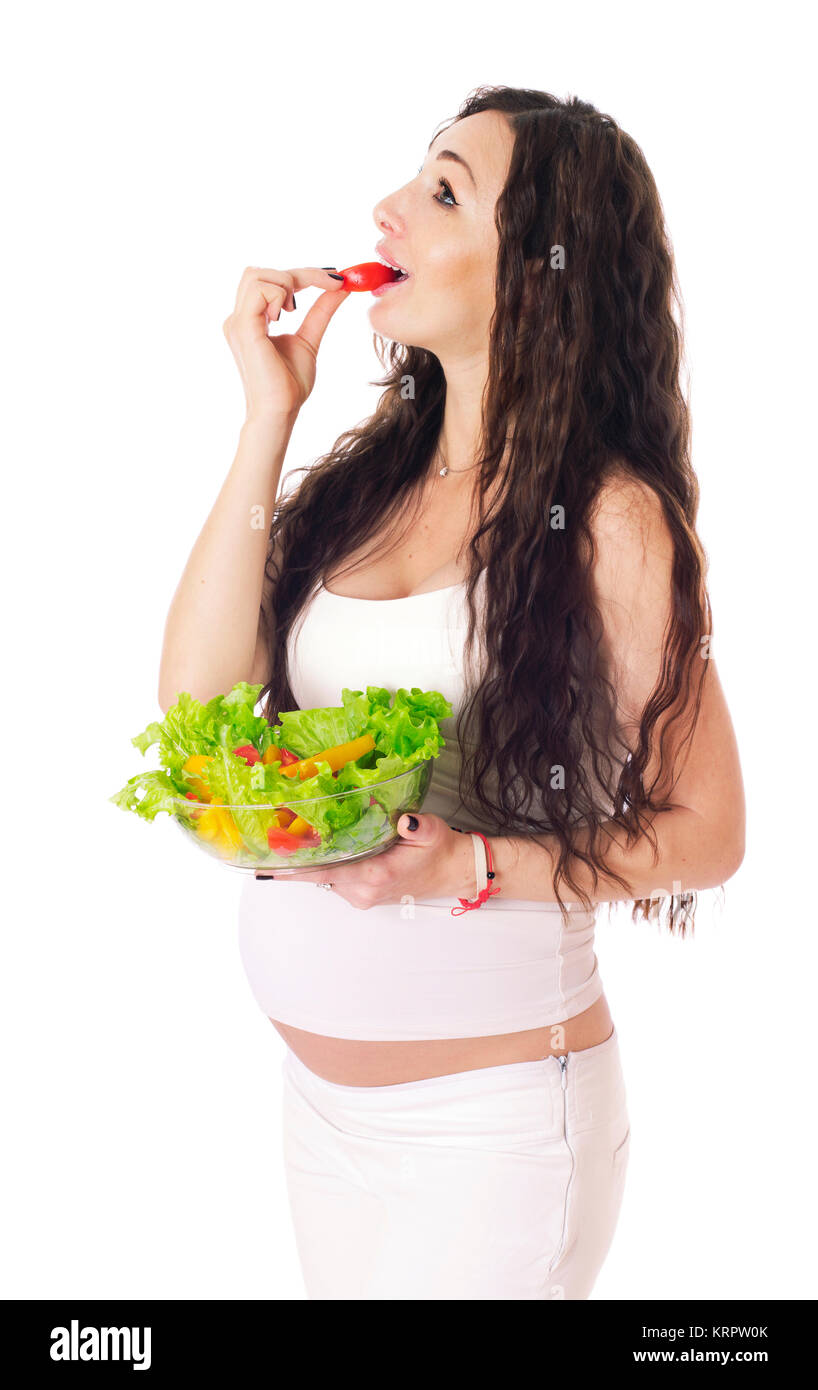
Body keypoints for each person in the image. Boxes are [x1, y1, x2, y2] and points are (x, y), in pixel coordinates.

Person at [158, 86, 745, 1300]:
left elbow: (710, 833)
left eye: (441, 192)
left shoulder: (608, 519)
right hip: (321, 1118)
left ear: (537, 271)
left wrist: (470, 866)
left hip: (498, 1135)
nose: (387, 210)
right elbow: (196, 707)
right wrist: (268, 417)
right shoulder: (366, 487)